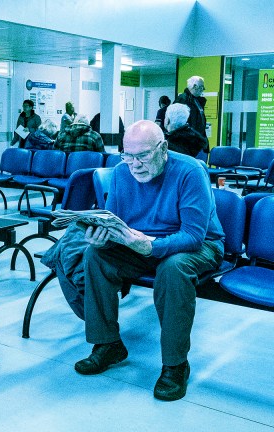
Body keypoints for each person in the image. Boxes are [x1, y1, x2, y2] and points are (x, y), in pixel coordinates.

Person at [74, 120, 224, 402]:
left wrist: (150, 246)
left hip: (199, 245)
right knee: (96, 256)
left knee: (173, 267)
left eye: (142, 156)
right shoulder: (121, 173)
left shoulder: (190, 171)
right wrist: (103, 237)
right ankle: (107, 345)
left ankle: (175, 364)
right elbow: (116, 225)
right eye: (127, 156)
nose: (135, 165)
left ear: (163, 148)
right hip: (140, 243)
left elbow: (193, 236)